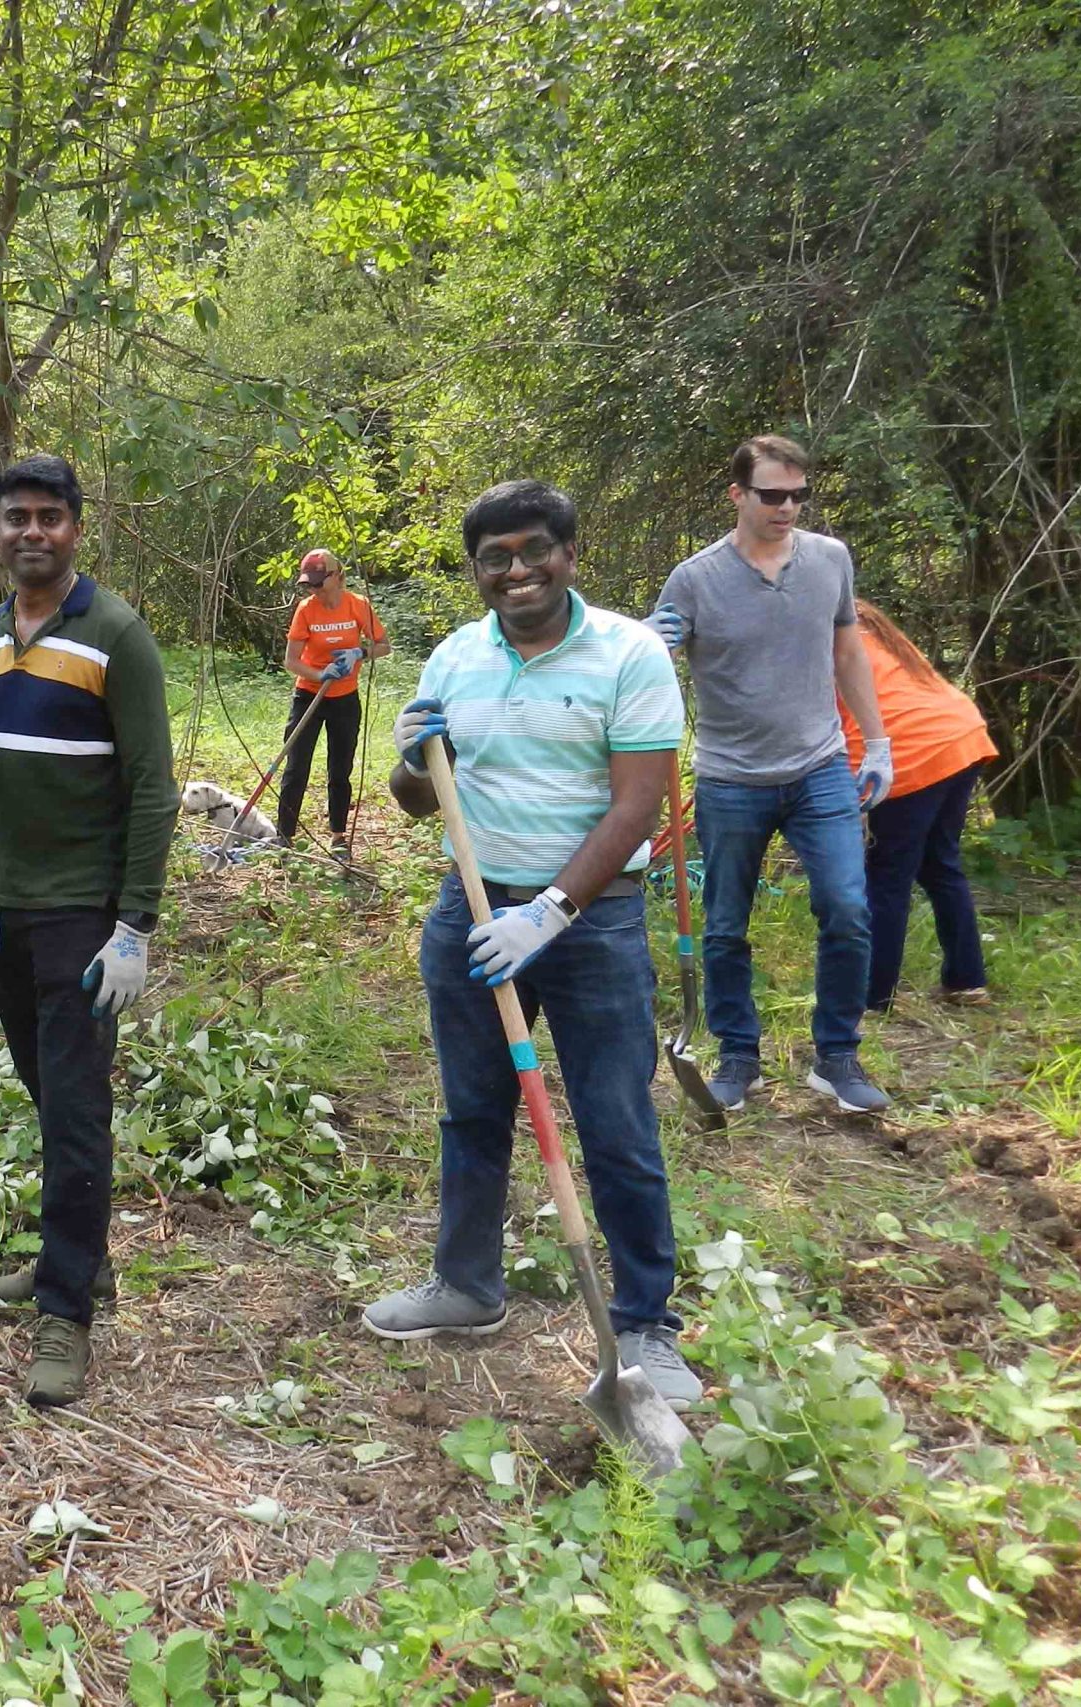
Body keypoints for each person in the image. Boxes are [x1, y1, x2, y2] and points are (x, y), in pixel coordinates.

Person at [361, 481, 699, 1409]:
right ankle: (467, 1285)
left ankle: (645, 1323)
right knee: (472, 1108)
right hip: (470, 907)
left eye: (532, 549)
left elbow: (638, 804)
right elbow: (419, 798)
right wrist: (412, 758)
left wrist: (549, 911)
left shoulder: (629, 653)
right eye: (495, 558)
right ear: (476, 571)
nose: (516, 570)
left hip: (594, 920)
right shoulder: (455, 658)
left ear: (568, 552)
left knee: (615, 1119)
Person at [0, 453, 177, 1407]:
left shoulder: (116, 635)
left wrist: (135, 926)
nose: (32, 532)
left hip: (82, 912)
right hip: (2, 903)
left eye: (50, 517)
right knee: (44, 1090)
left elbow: (154, 787)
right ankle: (83, 1256)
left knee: (74, 1107)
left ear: (77, 526)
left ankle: (65, 1310)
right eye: (16, 518)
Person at [648, 434, 895, 1115]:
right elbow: (649, 662)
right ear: (737, 494)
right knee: (725, 925)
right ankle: (738, 1058)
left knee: (847, 907)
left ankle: (837, 1058)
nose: (787, 507)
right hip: (730, 777)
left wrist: (876, 744)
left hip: (819, 767)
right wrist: (647, 643)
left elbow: (847, 651)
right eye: (772, 495)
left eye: (797, 495)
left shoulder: (829, 560)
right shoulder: (694, 578)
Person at [840, 600, 997, 1010]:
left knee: (887, 876)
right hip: (960, 735)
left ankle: (873, 996)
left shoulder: (823, 633)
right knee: (938, 864)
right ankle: (966, 980)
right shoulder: (865, 622)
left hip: (909, 753)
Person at [274, 548, 390, 856]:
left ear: (337, 576)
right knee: (296, 766)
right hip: (309, 696)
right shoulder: (306, 610)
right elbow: (291, 661)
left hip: (345, 699)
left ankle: (338, 837)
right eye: (308, 584)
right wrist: (319, 672)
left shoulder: (358, 605)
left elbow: (383, 645)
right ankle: (283, 837)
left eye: (317, 582)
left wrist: (360, 653)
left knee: (340, 769)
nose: (312, 589)